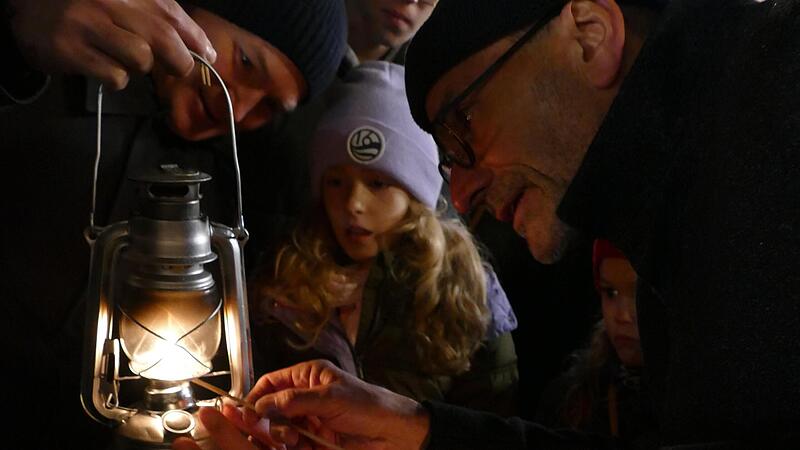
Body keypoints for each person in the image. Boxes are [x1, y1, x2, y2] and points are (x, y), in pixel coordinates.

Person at [179, 0, 800, 449]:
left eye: (463, 124)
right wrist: (418, 429)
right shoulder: (683, 210)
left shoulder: (773, 107)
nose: (461, 190)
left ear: (588, 32)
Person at [0, 1, 346, 449]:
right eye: (243, 63)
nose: (237, 111)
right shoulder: (46, 62)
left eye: (269, 107)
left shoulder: (248, 179)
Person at [248, 61, 519, 416]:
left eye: (378, 183)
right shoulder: (288, 278)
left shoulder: (466, 288)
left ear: (415, 194)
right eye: (336, 182)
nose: (353, 204)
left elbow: (492, 423)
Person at [536, 239, 657, 449]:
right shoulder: (573, 399)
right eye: (611, 293)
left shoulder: (697, 401)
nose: (623, 315)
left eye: (639, 295)